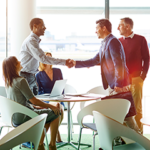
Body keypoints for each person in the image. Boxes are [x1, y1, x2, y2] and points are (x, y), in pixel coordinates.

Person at [71, 18, 140, 145]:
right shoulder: (104, 43)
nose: (95, 31)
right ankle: (118, 141)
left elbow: (119, 64)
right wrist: (75, 63)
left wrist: (118, 85)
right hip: (113, 86)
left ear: (104, 28)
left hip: (120, 86)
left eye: (97, 28)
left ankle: (140, 142)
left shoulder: (113, 42)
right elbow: (94, 60)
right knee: (118, 116)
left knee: (127, 117)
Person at [2, 56, 62, 150]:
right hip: (24, 116)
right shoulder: (21, 80)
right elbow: (33, 100)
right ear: (14, 66)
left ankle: (40, 143)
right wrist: (50, 106)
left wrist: (39, 107)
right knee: (56, 112)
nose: (20, 61)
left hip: (15, 117)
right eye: (17, 61)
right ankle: (52, 144)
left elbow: (21, 102)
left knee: (51, 111)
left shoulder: (9, 81)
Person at [19, 18, 74, 96]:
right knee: (30, 104)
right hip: (26, 76)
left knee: (34, 103)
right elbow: (43, 58)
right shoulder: (31, 41)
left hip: (30, 75)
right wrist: (65, 62)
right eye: (43, 25)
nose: (45, 28)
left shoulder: (34, 41)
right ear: (35, 26)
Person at [118, 17, 149, 134]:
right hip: (122, 81)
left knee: (137, 108)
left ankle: (139, 134)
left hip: (137, 79)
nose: (118, 28)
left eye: (120, 25)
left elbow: (147, 58)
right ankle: (125, 135)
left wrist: (143, 76)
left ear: (127, 26)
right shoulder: (119, 41)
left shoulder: (141, 39)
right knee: (123, 108)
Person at [36, 52, 64, 143]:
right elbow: (39, 91)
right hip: (46, 99)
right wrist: (46, 97)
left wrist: (61, 95)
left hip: (58, 97)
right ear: (43, 60)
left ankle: (54, 136)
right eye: (47, 58)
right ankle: (56, 136)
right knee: (57, 109)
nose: (50, 60)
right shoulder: (39, 74)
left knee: (59, 107)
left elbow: (62, 86)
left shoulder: (58, 70)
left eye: (51, 58)